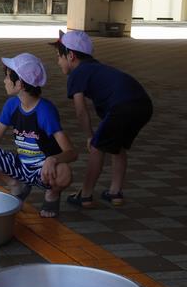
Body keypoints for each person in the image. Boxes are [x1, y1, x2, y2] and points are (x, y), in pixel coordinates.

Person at [0, 53, 77, 218]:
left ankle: (52, 193)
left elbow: (71, 152)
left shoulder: (45, 111)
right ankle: (15, 184)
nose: (4, 81)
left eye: (8, 77)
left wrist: (53, 160)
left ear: (20, 84)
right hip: (21, 166)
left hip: (44, 170)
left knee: (64, 172)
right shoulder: (12, 105)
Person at [51, 30, 153, 207]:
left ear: (71, 55)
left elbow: (81, 111)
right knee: (117, 147)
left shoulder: (77, 74)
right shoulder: (96, 68)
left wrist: (90, 136)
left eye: (59, 56)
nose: (57, 61)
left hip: (122, 106)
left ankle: (85, 195)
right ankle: (115, 192)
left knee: (97, 148)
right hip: (143, 105)